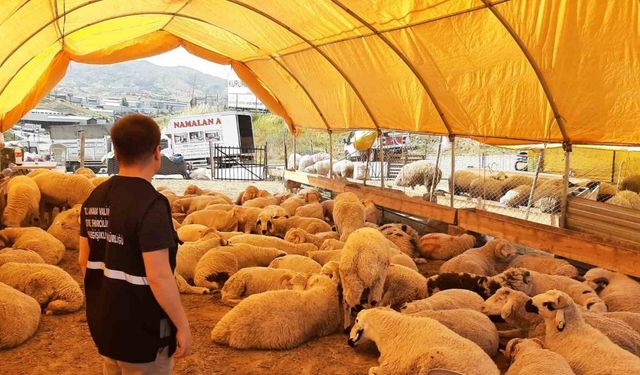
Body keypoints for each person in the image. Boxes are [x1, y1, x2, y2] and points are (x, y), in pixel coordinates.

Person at [79, 114, 191, 374]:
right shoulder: (152, 204)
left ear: (116, 152)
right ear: (156, 153)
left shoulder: (94, 197)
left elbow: (84, 261)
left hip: (106, 326)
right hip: (143, 335)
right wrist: (182, 325)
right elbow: (159, 276)